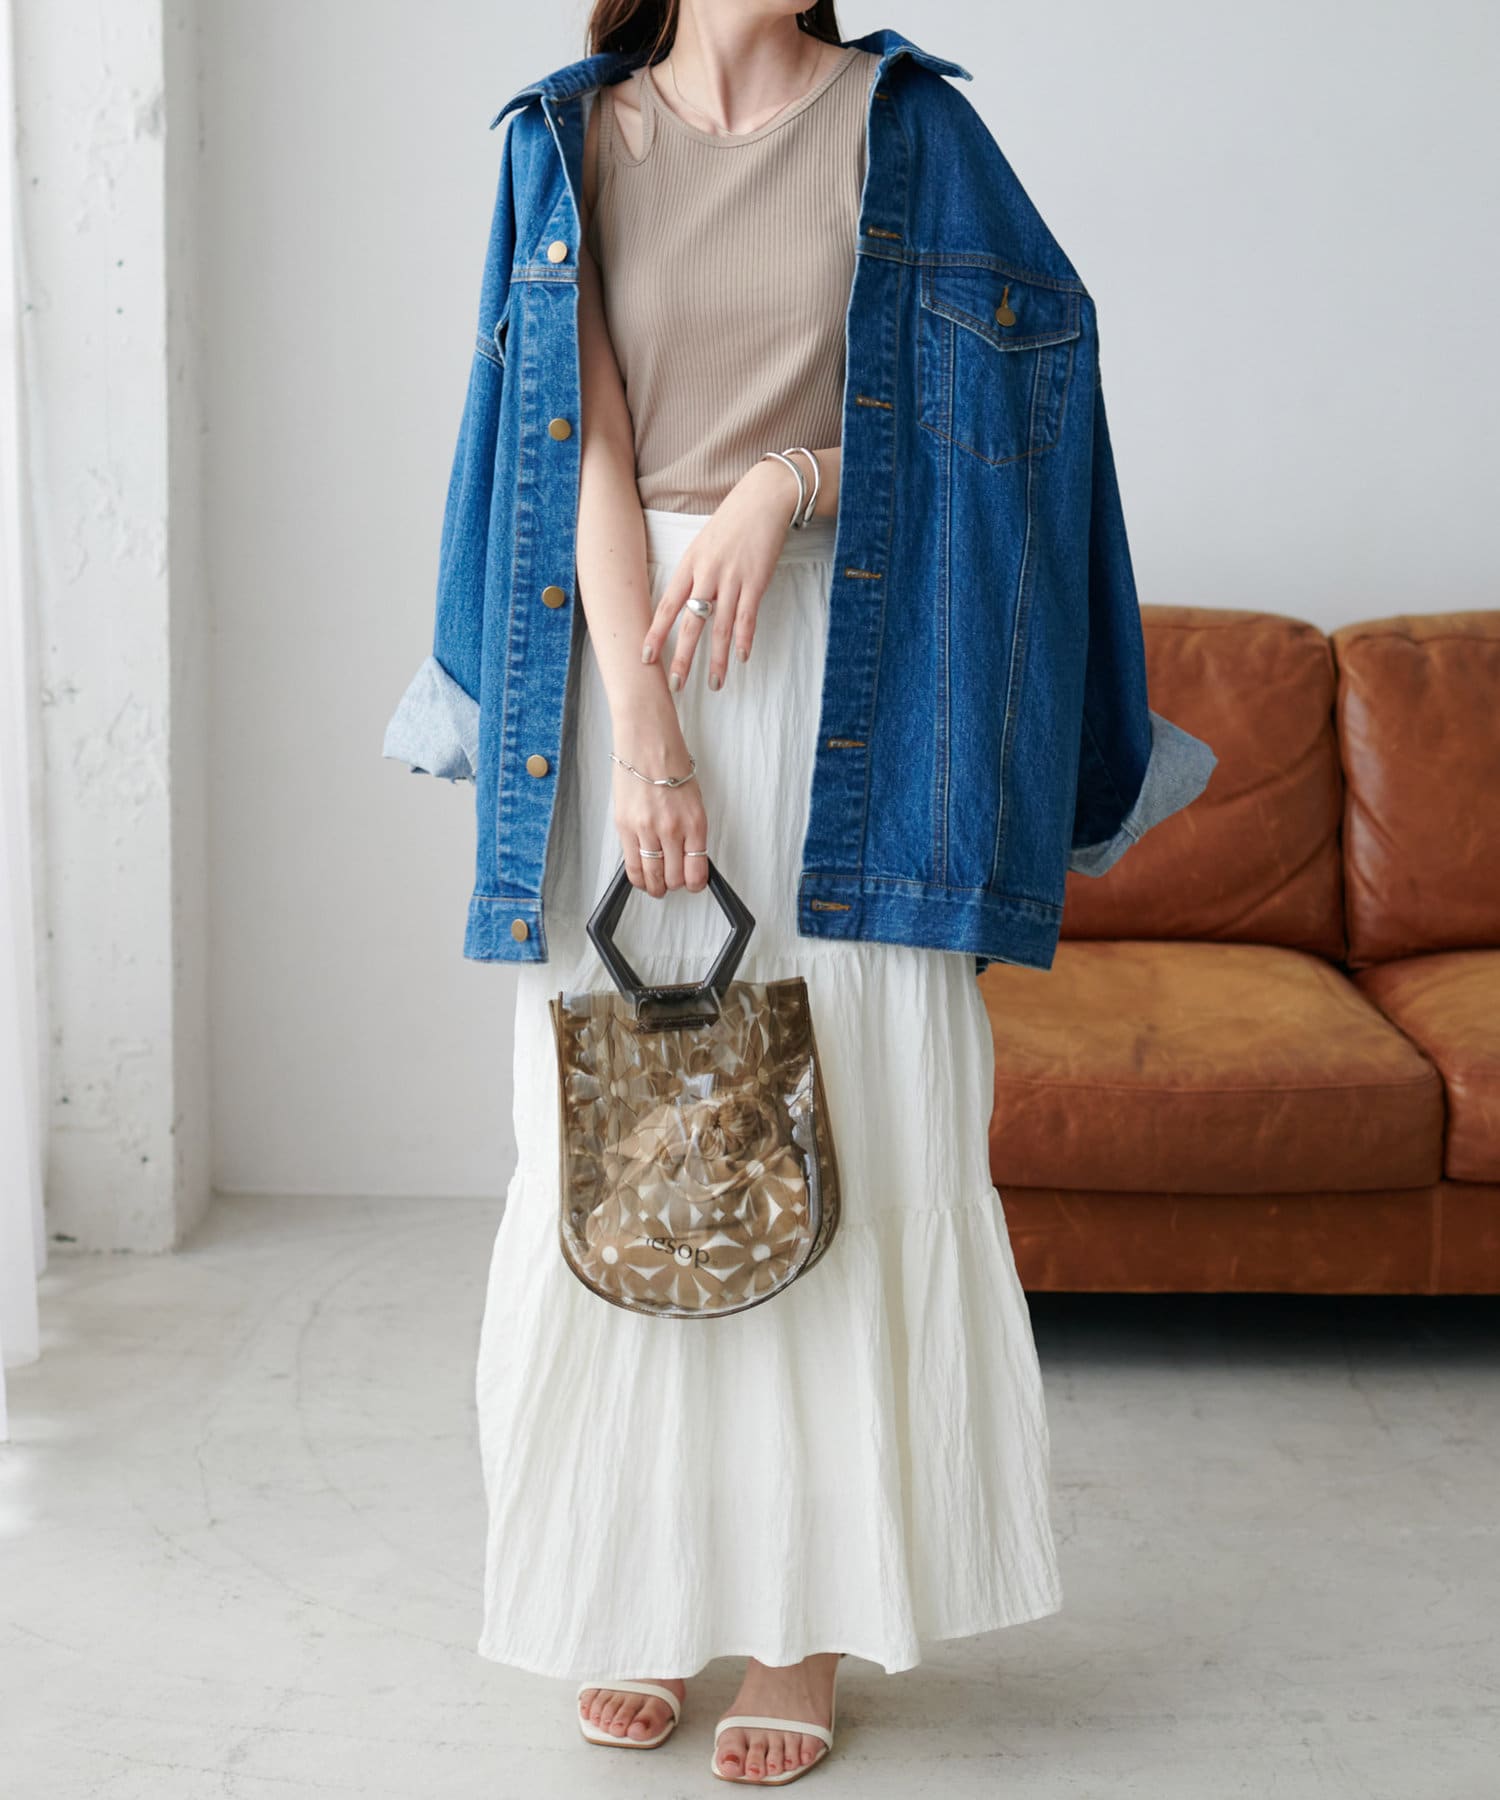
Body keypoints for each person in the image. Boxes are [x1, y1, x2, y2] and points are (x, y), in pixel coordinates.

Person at [469, 2, 1063, 1784]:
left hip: (855, 675)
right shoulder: (574, 140)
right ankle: (646, 1586)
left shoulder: (909, 129)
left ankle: (802, 1622)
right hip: (623, 665)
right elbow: (571, 440)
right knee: (635, 1139)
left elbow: (1007, 408)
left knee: (849, 1128)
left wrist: (783, 485)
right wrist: (645, 731)